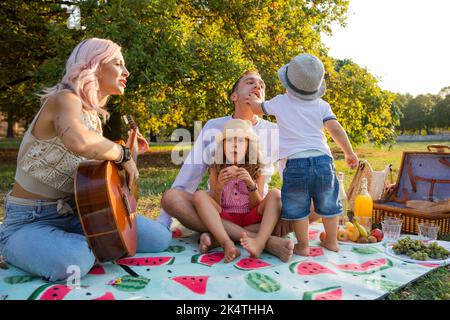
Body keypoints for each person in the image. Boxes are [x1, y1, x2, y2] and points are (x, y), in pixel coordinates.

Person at [0, 38, 172, 282]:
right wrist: (122, 154)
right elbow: (79, 141)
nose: (126, 71)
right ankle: (8, 242)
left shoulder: (93, 117)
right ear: (95, 65)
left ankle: (65, 244)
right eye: (118, 63)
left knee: (160, 238)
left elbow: (93, 173)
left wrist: (129, 153)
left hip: (79, 214)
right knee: (77, 259)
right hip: (30, 220)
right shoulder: (64, 99)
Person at [160, 70, 297, 262]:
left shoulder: (275, 131)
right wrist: (163, 224)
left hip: (256, 210)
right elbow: (189, 174)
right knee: (171, 198)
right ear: (234, 96)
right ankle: (264, 241)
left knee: (309, 203)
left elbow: (290, 174)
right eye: (250, 83)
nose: (258, 87)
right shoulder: (213, 127)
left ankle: (217, 236)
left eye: (262, 85)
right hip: (219, 208)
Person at [246, 53, 359, 256]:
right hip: (324, 161)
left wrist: (252, 100)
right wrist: (348, 152)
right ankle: (332, 241)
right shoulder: (322, 105)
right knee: (328, 202)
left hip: (295, 162)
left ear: (287, 83)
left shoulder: (280, 102)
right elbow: (335, 128)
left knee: (299, 206)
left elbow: (257, 109)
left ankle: (304, 245)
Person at [193, 119, 283, 263]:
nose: (234, 145)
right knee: (199, 196)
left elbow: (257, 206)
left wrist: (250, 185)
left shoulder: (257, 167)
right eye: (229, 141)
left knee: (276, 194)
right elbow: (215, 205)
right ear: (222, 146)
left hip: (250, 217)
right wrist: (219, 189)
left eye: (240, 141)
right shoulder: (216, 168)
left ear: (249, 146)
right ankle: (226, 243)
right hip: (225, 216)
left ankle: (256, 241)